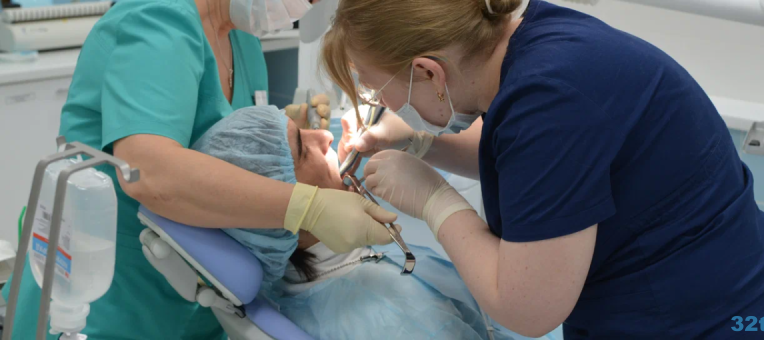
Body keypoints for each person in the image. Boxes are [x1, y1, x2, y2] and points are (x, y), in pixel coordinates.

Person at [2, 0, 398, 340]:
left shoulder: (240, 34)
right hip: (107, 292)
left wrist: (293, 133)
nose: (300, 6)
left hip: (196, 292)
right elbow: (149, 171)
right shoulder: (160, 24)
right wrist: (308, 207)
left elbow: (221, 139)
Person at [320, 0, 764, 338]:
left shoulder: (550, 100)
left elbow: (526, 308)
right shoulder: (537, 48)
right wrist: (419, 141)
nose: (380, 103)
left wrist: (433, 199)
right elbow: (529, 161)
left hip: (705, 322)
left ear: (429, 72)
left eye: (376, 89)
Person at [191, 104, 535, 340]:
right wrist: (437, 202)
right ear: (283, 218)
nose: (325, 136)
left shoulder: (296, 285)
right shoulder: (389, 316)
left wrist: (418, 139)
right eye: (302, 149)